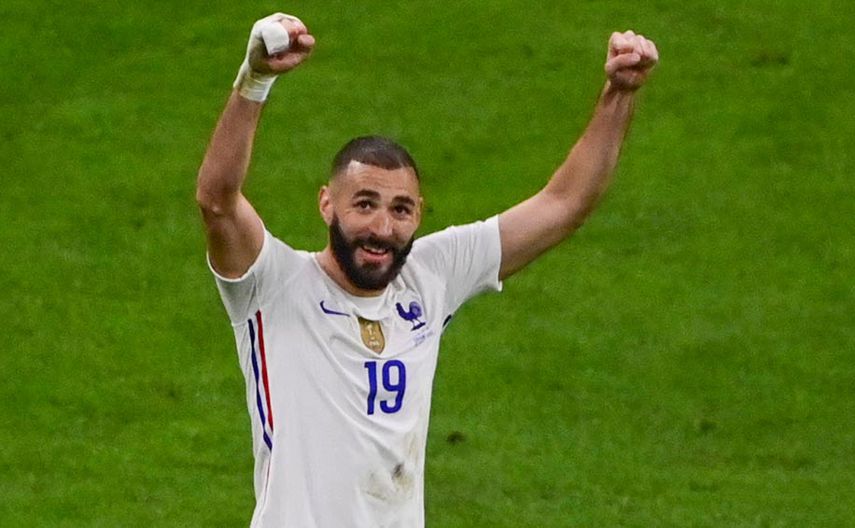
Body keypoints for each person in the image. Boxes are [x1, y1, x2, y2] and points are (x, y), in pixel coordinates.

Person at [197, 11, 658, 528]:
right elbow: (217, 201)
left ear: (418, 213)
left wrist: (619, 93)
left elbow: (564, 204)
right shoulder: (273, 286)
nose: (382, 228)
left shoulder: (430, 276)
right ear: (327, 204)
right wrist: (255, 80)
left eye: (400, 209)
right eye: (364, 204)